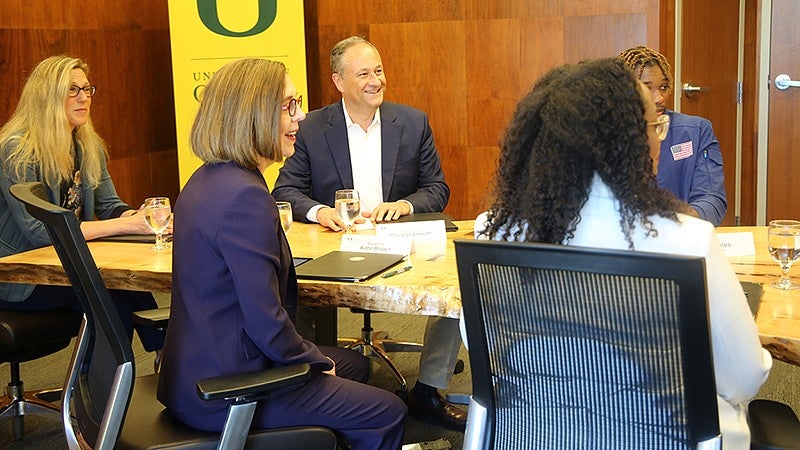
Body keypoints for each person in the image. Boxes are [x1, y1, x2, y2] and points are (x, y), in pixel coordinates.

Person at [473, 58, 771, 449]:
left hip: (534, 433)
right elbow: (744, 378)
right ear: (627, 141)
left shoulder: (493, 232)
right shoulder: (687, 241)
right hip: (665, 436)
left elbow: (482, 343)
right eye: (654, 126)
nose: (659, 139)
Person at [156, 58, 406, 449]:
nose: (301, 116)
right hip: (228, 388)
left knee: (355, 364)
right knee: (387, 411)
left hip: (194, 370)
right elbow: (267, 323)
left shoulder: (207, 179)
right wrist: (318, 364)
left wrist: (319, 362)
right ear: (252, 115)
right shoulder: (245, 196)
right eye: (289, 106)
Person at [273, 36, 467, 430]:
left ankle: (428, 389)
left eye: (378, 71)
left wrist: (406, 205)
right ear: (339, 81)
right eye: (364, 73)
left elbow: (437, 188)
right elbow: (285, 190)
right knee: (290, 280)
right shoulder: (310, 128)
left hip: (402, 245)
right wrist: (319, 210)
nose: (375, 80)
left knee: (456, 284)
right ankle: (311, 383)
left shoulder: (412, 122)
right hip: (336, 244)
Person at [0, 55, 164, 354]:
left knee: (125, 289)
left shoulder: (88, 145)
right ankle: (101, 389)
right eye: (72, 90)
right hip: (21, 276)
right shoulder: (17, 150)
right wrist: (126, 224)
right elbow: (40, 232)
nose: (83, 98)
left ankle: (161, 364)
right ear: (46, 97)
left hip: (67, 266)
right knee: (116, 298)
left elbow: (110, 204)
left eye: (87, 89)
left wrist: (140, 215)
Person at [618, 45, 727, 226]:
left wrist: (673, 223)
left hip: (682, 234)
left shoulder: (696, 130)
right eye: (647, 89)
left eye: (663, 87)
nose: (659, 98)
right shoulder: (607, 134)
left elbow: (712, 200)